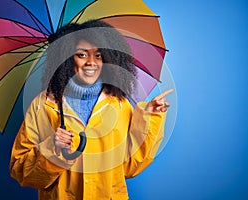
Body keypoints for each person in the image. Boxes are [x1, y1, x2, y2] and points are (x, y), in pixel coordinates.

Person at [10, 19, 173, 200]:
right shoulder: (43, 106)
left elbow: (129, 166)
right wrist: (51, 149)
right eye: (81, 55)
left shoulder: (119, 105)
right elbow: (21, 171)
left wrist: (150, 117)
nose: (91, 63)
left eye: (98, 55)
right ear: (67, 59)